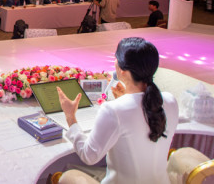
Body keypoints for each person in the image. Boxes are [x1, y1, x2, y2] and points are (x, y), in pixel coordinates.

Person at [57, 37, 178, 184]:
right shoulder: (170, 100)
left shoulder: (113, 110)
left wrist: (70, 117)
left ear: (122, 70)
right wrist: (126, 97)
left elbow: (89, 156)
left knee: (67, 176)